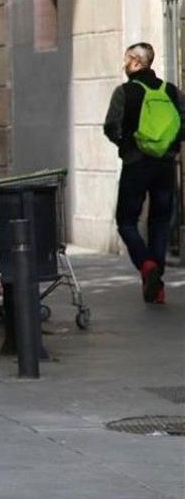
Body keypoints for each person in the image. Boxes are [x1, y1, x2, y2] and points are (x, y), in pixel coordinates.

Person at [103, 42, 184, 304]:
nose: (124, 64)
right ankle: (157, 287)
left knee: (126, 220)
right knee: (160, 221)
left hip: (136, 163)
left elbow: (110, 126)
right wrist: (170, 147)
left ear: (137, 62)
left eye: (127, 59)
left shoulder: (125, 92)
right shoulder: (170, 90)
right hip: (164, 165)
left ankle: (147, 266)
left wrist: (126, 145)